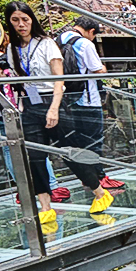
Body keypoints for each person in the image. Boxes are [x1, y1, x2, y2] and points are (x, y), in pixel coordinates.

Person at [5, 0, 65, 215]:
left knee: (68, 149)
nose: (21, 24)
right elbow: (18, 81)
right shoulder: (12, 49)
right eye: (15, 20)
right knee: (35, 156)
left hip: (51, 99)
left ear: (32, 20)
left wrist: (55, 107)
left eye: (25, 19)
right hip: (29, 103)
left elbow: (60, 79)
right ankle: (45, 206)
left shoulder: (46, 43)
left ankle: (97, 190)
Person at [55, 14, 113, 210]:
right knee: (94, 140)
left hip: (66, 100)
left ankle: (86, 177)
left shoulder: (57, 40)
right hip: (87, 99)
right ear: (92, 31)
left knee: (77, 140)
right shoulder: (85, 44)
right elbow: (98, 70)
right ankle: (98, 177)